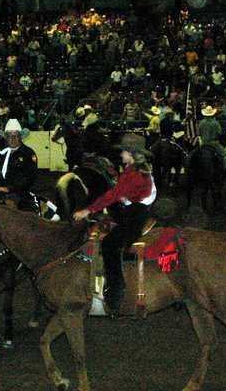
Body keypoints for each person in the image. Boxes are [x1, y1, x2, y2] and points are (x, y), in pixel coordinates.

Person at [73, 134, 157, 317]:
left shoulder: (135, 174)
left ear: (132, 154)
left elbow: (114, 194)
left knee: (110, 244)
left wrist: (88, 210)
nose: (121, 154)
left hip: (136, 214)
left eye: (124, 151)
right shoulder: (132, 169)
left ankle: (116, 291)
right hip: (132, 209)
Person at [198, 105, 226, 178]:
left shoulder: (201, 122)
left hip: (203, 144)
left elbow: (199, 133)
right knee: (224, 155)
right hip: (214, 143)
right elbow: (219, 133)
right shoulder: (215, 122)